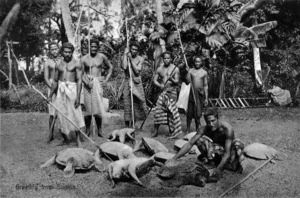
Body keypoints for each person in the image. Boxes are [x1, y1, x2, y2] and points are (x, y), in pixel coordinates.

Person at [172, 108, 244, 182]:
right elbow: (189, 144)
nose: (211, 124)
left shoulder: (227, 129)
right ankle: (213, 162)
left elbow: (227, 153)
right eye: (208, 122)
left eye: (213, 121)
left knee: (234, 158)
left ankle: (222, 163)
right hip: (217, 149)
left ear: (217, 118)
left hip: (229, 150)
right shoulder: (204, 129)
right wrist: (173, 159)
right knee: (199, 140)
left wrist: (217, 171)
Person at [49, 42, 85, 147]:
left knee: (75, 113)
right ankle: (64, 138)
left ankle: (78, 138)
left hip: (72, 90)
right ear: (62, 52)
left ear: (72, 52)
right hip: (61, 90)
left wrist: (78, 97)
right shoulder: (58, 64)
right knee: (61, 114)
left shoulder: (77, 64)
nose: (67, 54)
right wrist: (50, 95)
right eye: (65, 52)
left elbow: (79, 81)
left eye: (69, 52)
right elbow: (55, 81)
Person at [81, 38, 113, 137]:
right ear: (88, 47)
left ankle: (99, 130)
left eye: (95, 46)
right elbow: (81, 74)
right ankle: (87, 130)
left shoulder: (102, 57)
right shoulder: (84, 58)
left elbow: (110, 67)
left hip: (98, 83)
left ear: (98, 47)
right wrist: (86, 82)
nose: (93, 48)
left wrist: (106, 79)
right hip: (88, 84)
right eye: (92, 46)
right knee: (88, 109)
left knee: (99, 108)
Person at [152, 51, 182, 138]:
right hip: (163, 92)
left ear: (171, 59)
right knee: (158, 111)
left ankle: (171, 131)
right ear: (163, 59)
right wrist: (159, 85)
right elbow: (154, 80)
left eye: (168, 58)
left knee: (171, 112)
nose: (166, 60)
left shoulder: (175, 69)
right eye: (165, 58)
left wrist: (171, 79)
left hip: (172, 93)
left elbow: (177, 82)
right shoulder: (160, 69)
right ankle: (155, 131)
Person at [122, 41, 147, 127]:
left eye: (136, 50)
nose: (134, 51)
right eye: (132, 49)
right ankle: (126, 125)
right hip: (127, 82)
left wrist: (131, 60)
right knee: (127, 103)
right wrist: (125, 55)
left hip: (136, 82)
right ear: (130, 49)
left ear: (138, 51)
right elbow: (124, 67)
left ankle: (134, 123)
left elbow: (137, 71)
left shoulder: (140, 59)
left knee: (138, 103)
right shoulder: (126, 56)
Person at [43, 41, 63, 143]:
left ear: (58, 49)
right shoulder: (48, 62)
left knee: (62, 112)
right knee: (52, 112)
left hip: (62, 86)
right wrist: (52, 89)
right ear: (49, 51)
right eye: (52, 49)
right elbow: (46, 78)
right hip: (51, 87)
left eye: (56, 49)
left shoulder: (63, 60)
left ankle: (63, 134)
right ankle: (50, 134)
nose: (54, 51)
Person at [185, 56, 208, 133]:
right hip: (191, 94)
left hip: (200, 94)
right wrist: (188, 72)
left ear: (201, 63)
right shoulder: (191, 71)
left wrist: (206, 98)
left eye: (199, 62)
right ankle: (188, 129)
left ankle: (197, 128)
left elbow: (205, 85)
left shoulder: (204, 72)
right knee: (189, 113)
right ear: (194, 62)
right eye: (196, 62)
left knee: (198, 113)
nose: (197, 63)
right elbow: (188, 81)